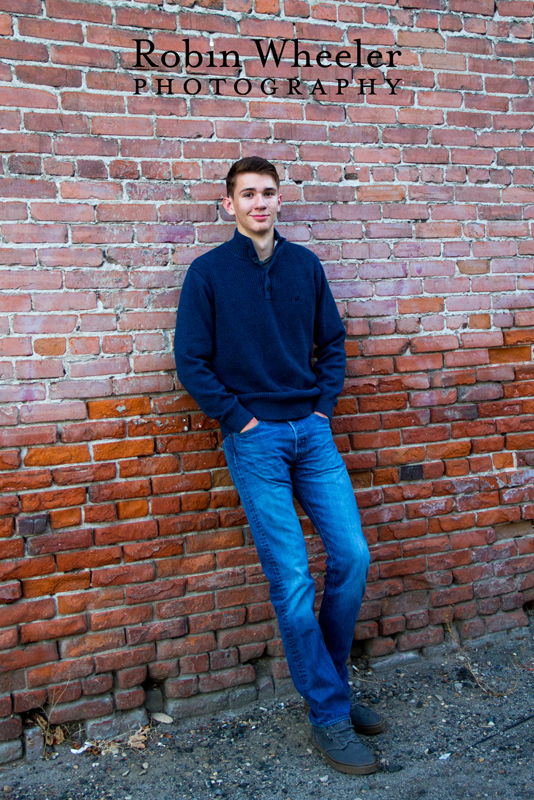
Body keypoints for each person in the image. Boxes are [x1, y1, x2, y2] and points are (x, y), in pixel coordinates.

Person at [173, 156, 386, 775]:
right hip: (255, 438)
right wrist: (239, 420)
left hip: (313, 434)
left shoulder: (305, 266)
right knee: (292, 578)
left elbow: (334, 343)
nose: (259, 203)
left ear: (278, 201)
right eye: (248, 194)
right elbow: (192, 361)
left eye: (268, 193)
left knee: (352, 556)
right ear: (229, 205)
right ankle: (328, 713)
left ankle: (333, 690)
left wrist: (322, 409)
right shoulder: (207, 274)